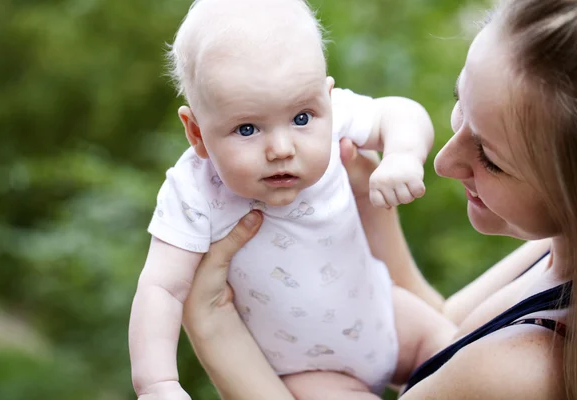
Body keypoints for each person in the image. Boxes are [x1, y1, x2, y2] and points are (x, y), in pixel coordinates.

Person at [180, 0, 577, 399]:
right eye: (460, 103)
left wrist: (210, 324)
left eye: (491, 160)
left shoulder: (518, 373)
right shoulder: (556, 250)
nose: (444, 161)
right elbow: (452, 334)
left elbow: (464, 363)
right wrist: (367, 201)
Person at [129, 0, 444, 398]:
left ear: (326, 100)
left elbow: (401, 113)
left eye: (300, 119)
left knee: (465, 355)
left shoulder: (332, 119)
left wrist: (402, 155)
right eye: (247, 128)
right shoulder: (194, 190)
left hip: (389, 316)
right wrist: (157, 383)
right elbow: (160, 287)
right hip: (311, 371)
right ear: (196, 133)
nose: (281, 148)